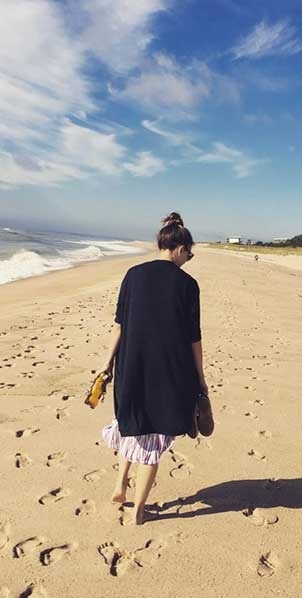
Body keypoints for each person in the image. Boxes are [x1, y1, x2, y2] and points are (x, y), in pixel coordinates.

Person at [101, 212, 208, 525]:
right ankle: (139, 509)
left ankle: (120, 486)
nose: (189, 259)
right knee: (155, 442)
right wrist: (201, 379)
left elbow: (119, 326)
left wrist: (107, 364)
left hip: (131, 368)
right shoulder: (188, 285)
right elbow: (194, 339)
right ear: (177, 248)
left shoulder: (132, 275)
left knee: (131, 427)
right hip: (169, 374)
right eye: (189, 253)